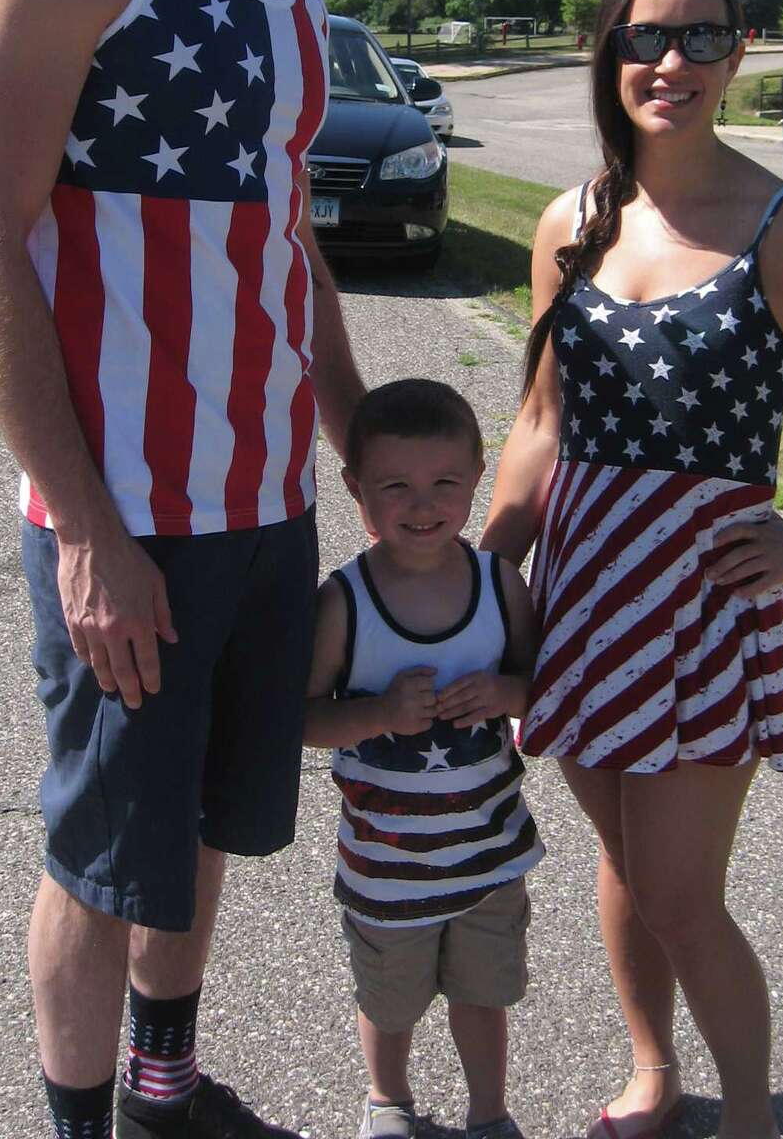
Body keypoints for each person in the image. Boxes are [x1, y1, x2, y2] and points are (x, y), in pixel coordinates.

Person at [0, 0, 372, 1139]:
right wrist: (87, 530)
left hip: (263, 508)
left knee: (204, 831)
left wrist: (360, 429)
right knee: (103, 854)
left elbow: (288, 240)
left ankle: (164, 1087)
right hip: (124, 513)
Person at [481, 0, 783, 1139]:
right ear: (612, 50)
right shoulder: (570, 220)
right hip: (582, 591)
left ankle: (750, 1119)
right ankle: (653, 1073)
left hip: (699, 606)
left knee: (685, 894)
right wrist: (487, 575)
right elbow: (540, 420)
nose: (671, 60)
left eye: (700, 35)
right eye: (647, 34)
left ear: (739, 51)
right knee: (629, 868)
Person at [303, 380, 544, 1139]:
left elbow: (544, 691)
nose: (423, 505)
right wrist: (377, 713)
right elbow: (299, 719)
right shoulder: (343, 602)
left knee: (483, 996)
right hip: (387, 865)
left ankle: (488, 1113)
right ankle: (388, 1102)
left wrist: (505, 691)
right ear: (356, 491)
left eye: (445, 483)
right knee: (390, 1001)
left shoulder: (500, 585)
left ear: (479, 476)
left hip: (489, 858)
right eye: (395, 487)